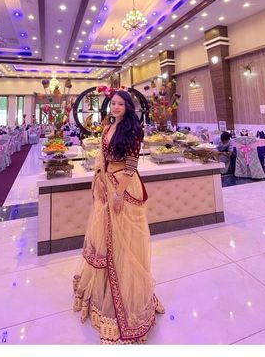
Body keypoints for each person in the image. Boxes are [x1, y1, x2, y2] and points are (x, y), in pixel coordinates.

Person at [73, 89, 164, 344]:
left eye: (120, 104)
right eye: (113, 103)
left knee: (125, 243)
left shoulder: (133, 130)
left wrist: (118, 193)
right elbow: (101, 159)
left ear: (128, 107)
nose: (115, 107)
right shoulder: (107, 127)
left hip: (125, 186)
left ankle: (127, 297)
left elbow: (131, 165)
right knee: (104, 241)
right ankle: (102, 295)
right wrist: (99, 180)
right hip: (106, 184)